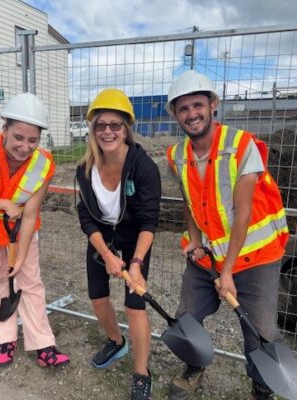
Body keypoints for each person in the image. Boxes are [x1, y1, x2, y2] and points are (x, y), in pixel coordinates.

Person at [165, 70, 289, 400]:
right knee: (187, 316)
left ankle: (262, 385)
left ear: (213, 105)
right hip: (209, 255)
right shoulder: (177, 155)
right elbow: (189, 201)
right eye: (183, 109)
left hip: (256, 256)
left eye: (197, 105)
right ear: (175, 115)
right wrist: (193, 240)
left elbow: (243, 213)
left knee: (258, 330)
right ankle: (194, 368)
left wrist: (229, 271)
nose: (191, 114)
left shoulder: (241, 146)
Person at [0, 92, 70, 369]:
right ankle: (2, 339)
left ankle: (43, 344)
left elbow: (30, 214)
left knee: (30, 282)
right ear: (4, 129)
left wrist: (19, 257)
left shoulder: (43, 164)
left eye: (33, 140)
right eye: (19, 137)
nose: (25, 146)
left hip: (20, 230)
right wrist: (3, 203)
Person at [75, 88, 161, 400]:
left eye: (115, 125)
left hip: (135, 240)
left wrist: (135, 263)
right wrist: (106, 254)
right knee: (98, 299)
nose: (108, 131)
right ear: (92, 129)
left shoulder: (143, 167)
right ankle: (116, 341)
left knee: (134, 305)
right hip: (102, 239)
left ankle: (142, 372)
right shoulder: (84, 169)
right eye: (101, 125)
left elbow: (150, 221)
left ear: (126, 128)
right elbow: (86, 217)